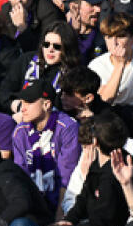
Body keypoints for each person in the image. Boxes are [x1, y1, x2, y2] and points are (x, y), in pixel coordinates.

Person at [12, 79, 81, 211]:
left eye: (29, 102)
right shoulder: (20, 131)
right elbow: (20, 174)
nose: (23, 109)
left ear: (47, 104)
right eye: (22, 103)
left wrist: (59, 217)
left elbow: (67, 177)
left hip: (65, 201)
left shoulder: (67, 128)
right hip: (32, 201)